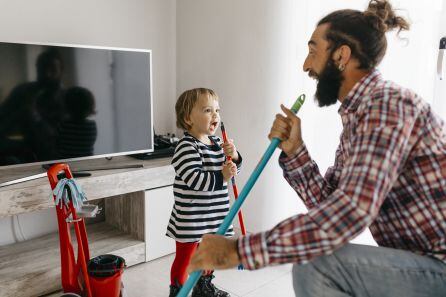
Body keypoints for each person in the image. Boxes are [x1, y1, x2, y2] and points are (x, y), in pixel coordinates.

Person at [186, 1, 446, 296]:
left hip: (438, 266)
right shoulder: (358, 117)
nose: (306, 65)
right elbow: (329, 207)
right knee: (315, 259)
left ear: (341, 55)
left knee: (314, 263)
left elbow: (350, 213)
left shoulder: (387, 104)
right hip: (419, 264)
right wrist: (296, 151)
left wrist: (238, 250)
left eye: (313, 52)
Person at [167, 88, 242, 297]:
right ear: (188, 118)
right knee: (186, 259)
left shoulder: (218, 144)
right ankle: (178, 291)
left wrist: (234, 157)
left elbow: (233, 172)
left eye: (217, 110)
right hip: (191, 220)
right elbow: (196, 180)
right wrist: (222, 176)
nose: (215, 115)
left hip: (214, 217)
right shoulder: (186, 147)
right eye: (208, 110)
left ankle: (203, 287)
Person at [57, 86, 97, 159]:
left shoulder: (63, 125)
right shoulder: (92, 126)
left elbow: (57, 143)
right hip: (87, 162)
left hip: (65, 163)